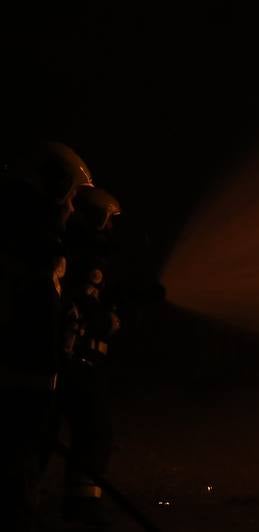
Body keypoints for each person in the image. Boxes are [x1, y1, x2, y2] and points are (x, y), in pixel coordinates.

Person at [1, 141, 93, 531]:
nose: (72, 210)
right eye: (70, 198)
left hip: (25, 407)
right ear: (51, 191)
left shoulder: (35, 254)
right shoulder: (19, 255)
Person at [59, 186, 123, 527]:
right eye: (106, 220)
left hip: (66, 363)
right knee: (95, 431)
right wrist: (107, 322)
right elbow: (86, 306)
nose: (109, 228)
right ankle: (82, 509)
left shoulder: (70, 250)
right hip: (75, 363)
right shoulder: (86, 257)